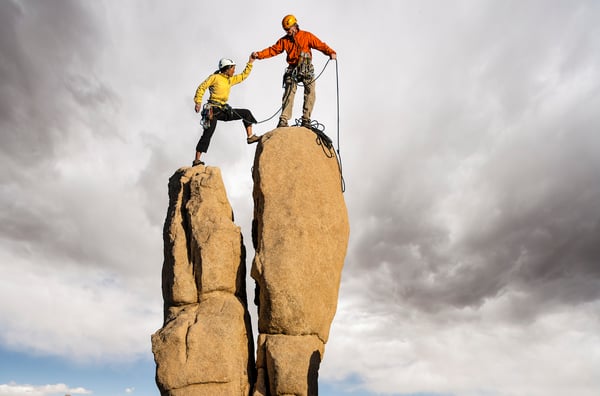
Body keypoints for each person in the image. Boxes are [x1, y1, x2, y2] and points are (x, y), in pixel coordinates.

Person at [251, 14, 337, 128]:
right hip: (293, 70)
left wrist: (331, 52)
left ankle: (306, 119)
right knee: (289, 93)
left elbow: (320, 45)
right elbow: (273, 50)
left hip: (307, 69)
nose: (287, 31)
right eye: (285, 30)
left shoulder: (306, 36)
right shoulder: (284, 41)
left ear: (295, 26)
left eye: (288, 29)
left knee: (310, 92)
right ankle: (283, 119)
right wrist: (259, 55)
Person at [192, 55, 260, 166]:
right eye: (232, 68)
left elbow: (243, 76)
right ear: (227, 68)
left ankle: (250, 137)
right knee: (208, 133)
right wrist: (198, 102)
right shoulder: (215, 77)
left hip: (223, 109)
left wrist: (250, 63)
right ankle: (197, 160)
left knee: (246, 113)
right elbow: (202, 87)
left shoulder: (230, 79)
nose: (234, 70)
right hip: (212, 110)